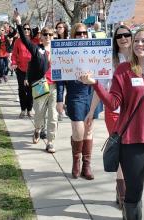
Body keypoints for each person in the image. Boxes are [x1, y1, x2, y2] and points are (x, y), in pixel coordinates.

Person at [79, 28, 144, 220]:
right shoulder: (123, 71)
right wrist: (95, 83)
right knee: (133, 194)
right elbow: (113, 103)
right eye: (138, 41)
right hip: (132, 141)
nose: (140, 44)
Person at [56, 23, 103, 180]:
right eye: (79, 33)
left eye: (84, 33)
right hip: (75, 95)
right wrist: (59, 99)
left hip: (91, 95)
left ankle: (86, 165)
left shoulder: (94, 51)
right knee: (78, 130)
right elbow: (60, 79)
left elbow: (104, 72)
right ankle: (76, 161)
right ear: (73, 35)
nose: (82, 36)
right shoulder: (67, 52)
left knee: (88, 130)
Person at [14, 11, 58, 153]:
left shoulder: (59, 50)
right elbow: (25, 40)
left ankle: (50, 142)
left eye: (50, 35)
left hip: (54, 86)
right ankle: (38, 129)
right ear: (41, 37)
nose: (48, 37)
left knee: (53, 115)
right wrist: (19, 23)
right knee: (39, 114)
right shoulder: (36, 49)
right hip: (39, 85)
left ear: (54, 36)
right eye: (45, 34)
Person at [105, 24, 132, 209]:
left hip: (135, 115)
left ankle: (125, 188)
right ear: (115, 41)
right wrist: (91, 112)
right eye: (119, 36)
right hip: (114, 114)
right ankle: (123, 192)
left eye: (126, 35)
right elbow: (101, 86)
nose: (123, 38)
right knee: (121, 153)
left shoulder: (141, 60)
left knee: (132, 154)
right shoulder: (111, 61)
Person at [11, 23, 33, 118]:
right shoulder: (18, 41)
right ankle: (23, 109)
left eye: (28, 29)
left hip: (32, 70)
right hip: (20, 69)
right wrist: (14, 62)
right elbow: (14, 54)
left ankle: (30, 109)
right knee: (22, 90)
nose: (26, 30)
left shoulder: (34, 41)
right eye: (25, 29)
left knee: (30, 91)